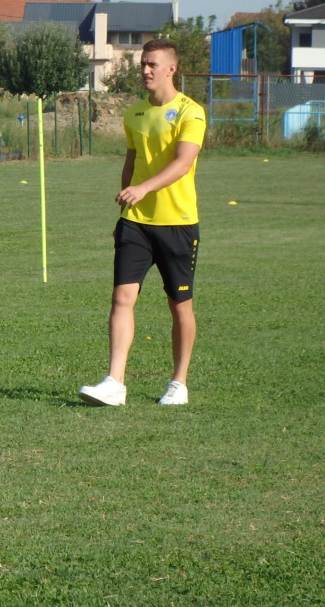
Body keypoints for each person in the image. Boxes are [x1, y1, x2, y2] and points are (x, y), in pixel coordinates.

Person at [78, 39, 206, 407]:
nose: (146, 71)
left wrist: (143, 188)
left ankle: (179, 383)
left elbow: (183, 163)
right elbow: (131, 163)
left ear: (171, 69)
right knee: (122, 297)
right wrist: (125, 208)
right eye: (142, 65)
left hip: (177, 223)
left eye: (152, 65)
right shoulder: (134, 113)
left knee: (179, 304)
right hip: (136, 222)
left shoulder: (191, 113)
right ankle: (114, 382)